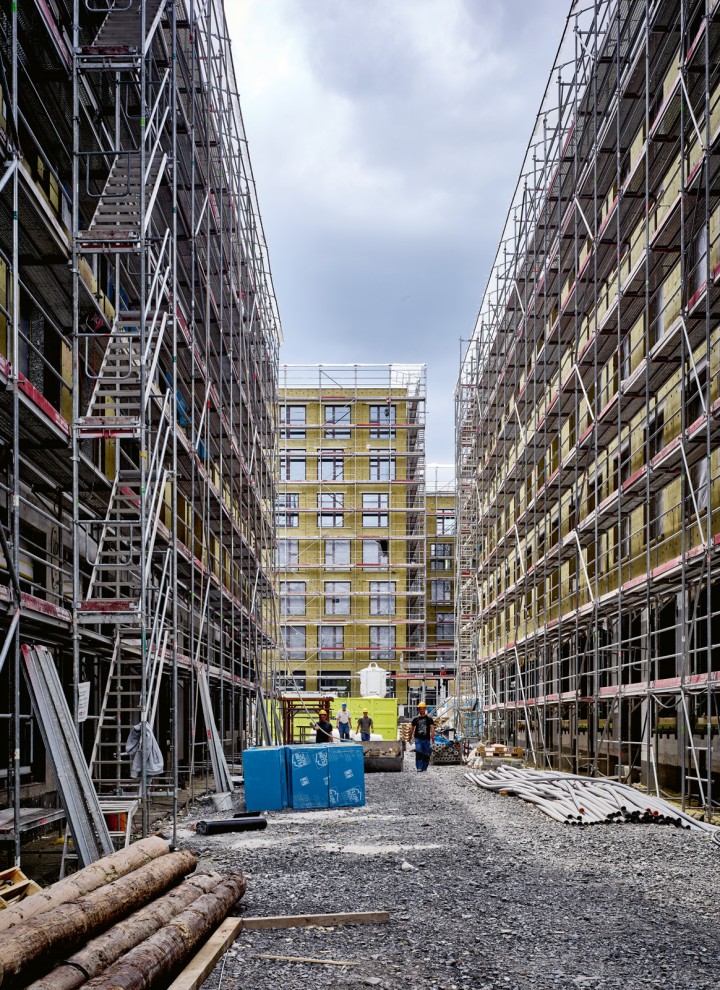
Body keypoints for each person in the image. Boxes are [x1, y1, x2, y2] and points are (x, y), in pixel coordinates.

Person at [409, 701, 434, 772]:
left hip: (426, 739)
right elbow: (412, 728)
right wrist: (410, 737)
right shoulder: (415, 719)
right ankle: (419, 767)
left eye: (423, 708)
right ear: (418, 710)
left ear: (425, 709)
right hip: (418, 739)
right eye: (420, 709)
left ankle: (425, 767)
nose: (422, 710)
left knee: (426, 753)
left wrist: (433, 737)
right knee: (419, 752)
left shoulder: (429, 719)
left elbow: (432, 728)